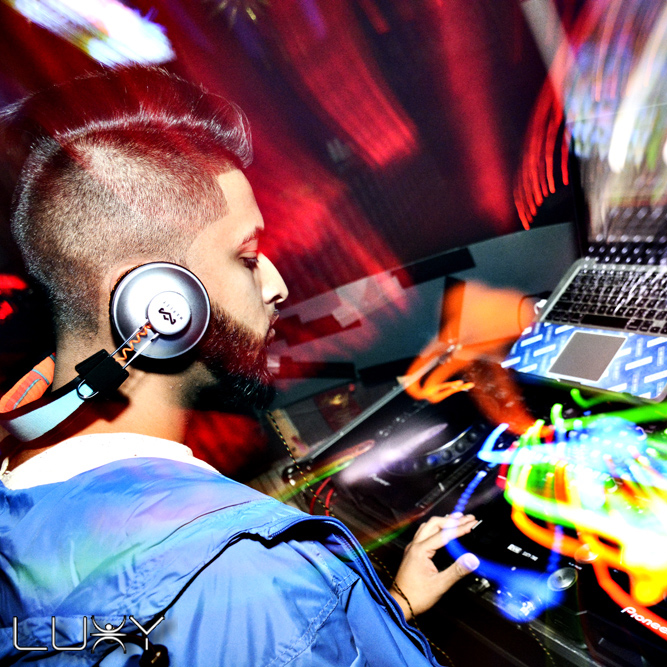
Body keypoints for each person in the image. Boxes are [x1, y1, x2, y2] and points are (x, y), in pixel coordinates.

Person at [0, 66, 479, 665]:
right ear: (160, 306)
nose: (277, 285)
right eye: (248, 257)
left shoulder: (22, 480)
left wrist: (384, 611)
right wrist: (317, 615)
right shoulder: (253, 577)